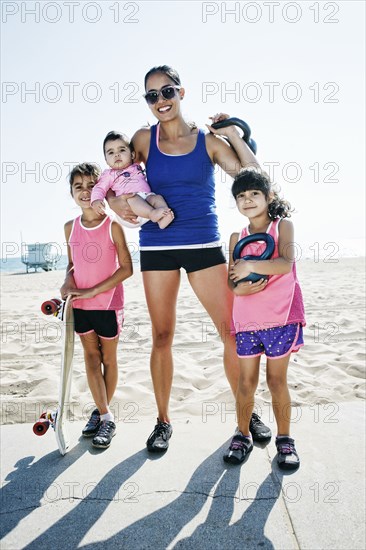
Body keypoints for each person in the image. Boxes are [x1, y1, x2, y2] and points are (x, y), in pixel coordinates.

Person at [108, 65, 271, 452]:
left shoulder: (208, 142)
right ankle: (163, 420)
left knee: (231, 332)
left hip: (203, 244)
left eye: (167, 92)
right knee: (162, 336)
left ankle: (246, 416)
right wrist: (117, 202)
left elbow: (253, 177)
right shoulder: (142, 140)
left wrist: (232, 133)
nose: (160, 101)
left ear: (182, 92)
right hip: (157, 247)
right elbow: (116, 178)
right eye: (152, 96)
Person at [223, 169, 305, 469]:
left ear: (268, 197)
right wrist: (240, 285)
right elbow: (232, 282)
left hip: (280, 317)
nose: (248, 200)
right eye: (241, 196)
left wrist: (251, 267)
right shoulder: (237, 237)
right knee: (246, 382)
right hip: (247, 320)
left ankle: (284, 440)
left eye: (254, 194)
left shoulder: (282, 226)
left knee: (275, 380)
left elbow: (285, 265)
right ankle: (242, 435)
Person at [60, 163, 133, 449]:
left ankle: (103, 414)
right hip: (79, 305)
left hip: (108, 304)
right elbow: (71, 264)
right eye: (78, 187)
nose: (85, 192)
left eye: (91, 185)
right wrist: (67, 281)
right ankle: (104, 414)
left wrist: (92, 290)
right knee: (90, 357)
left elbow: (126, 269)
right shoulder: (70, 227)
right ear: (71, 193)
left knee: (108, 359)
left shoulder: (112, 225)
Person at [91, 131, 174, 229]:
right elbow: (99, 188)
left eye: (121, 150)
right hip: (128, 208)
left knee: (157, 198)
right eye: (111, 152)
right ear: (106, 160)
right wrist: (96, 200)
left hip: (146, 199)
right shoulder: (109, 174)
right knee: (134, 198)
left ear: (132, 155)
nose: (117, 155)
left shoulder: (137, 166)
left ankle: (164, 218)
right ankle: (152, 214)